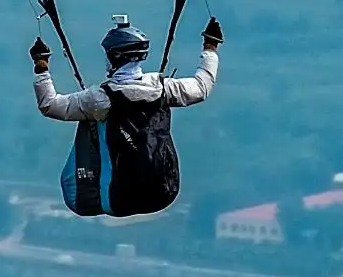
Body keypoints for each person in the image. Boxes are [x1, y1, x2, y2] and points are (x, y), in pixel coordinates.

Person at [30, 12, 221, 218]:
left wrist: (42, 68)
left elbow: (49, 105)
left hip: (117, 200)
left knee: (92, 125)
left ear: (113, 57)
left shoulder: (99, 99)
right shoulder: (165, 89)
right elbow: (202, 87)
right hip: (163, 194)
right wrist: (210, 47)